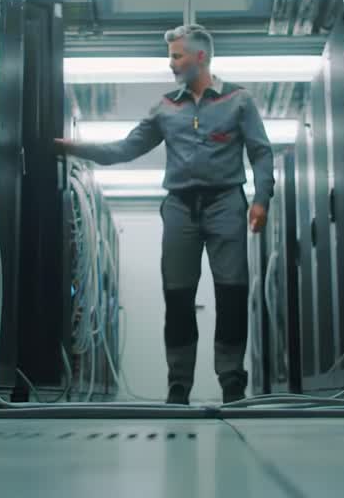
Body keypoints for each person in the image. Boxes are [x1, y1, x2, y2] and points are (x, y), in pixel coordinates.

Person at [55, 24, 275, 405]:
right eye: (171, 56)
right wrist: (76, 148)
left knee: (232, 293)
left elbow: (261, 151)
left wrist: (262, 200)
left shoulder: (239, 100)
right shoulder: (165, 107)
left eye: (177, 55)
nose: (170, 63)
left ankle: (232, 382)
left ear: (200, 57)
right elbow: (125, 149)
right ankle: (179, 385)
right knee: (178, 295)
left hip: (226, 203)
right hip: (179, 208)